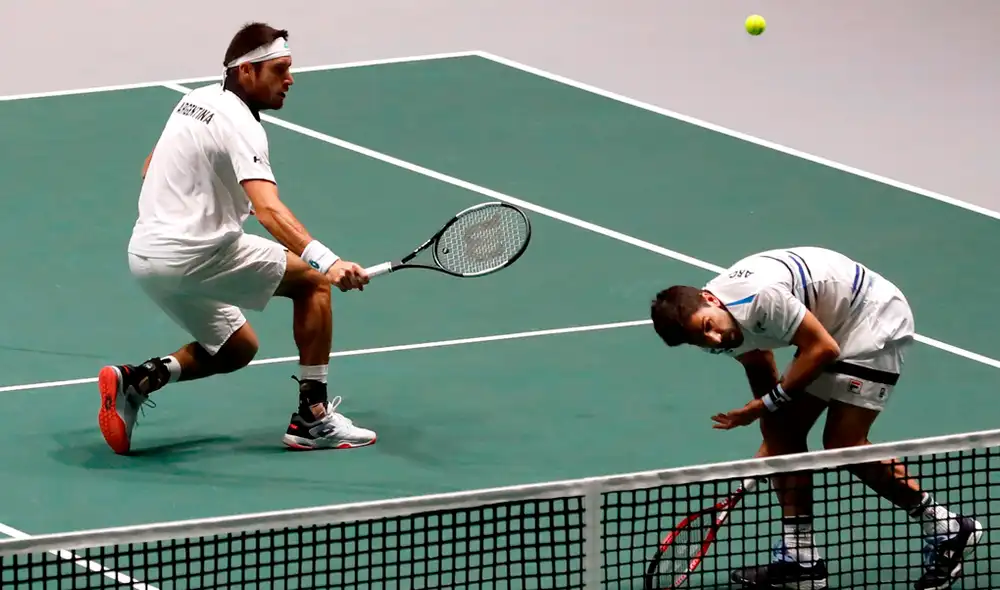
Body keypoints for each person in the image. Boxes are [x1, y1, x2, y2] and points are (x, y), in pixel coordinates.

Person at [97, 22, 377, 455]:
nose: (290, 79)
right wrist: (329, 261)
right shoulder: (241, 125)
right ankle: (313, 417)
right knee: (313, 281)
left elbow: (150, 165)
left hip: (146, 257)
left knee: (236, 348)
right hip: (196, 254)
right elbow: (268, 209)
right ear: (246, 72)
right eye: (279, 69)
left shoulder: (195, 101)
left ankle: (137, 379)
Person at [649, 246, 982, 590]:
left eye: (709, 327)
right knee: (782, 432)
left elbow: (823, 349)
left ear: (711, 299)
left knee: (842, 444)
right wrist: (774, 432)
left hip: (869, 315)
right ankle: (801, 559)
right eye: (700, 338)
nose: (714, 338)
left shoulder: (760, 298)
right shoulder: (710, 332)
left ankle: (948, 528)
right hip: (826, 326)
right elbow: (758, 363)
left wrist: (762, 407)